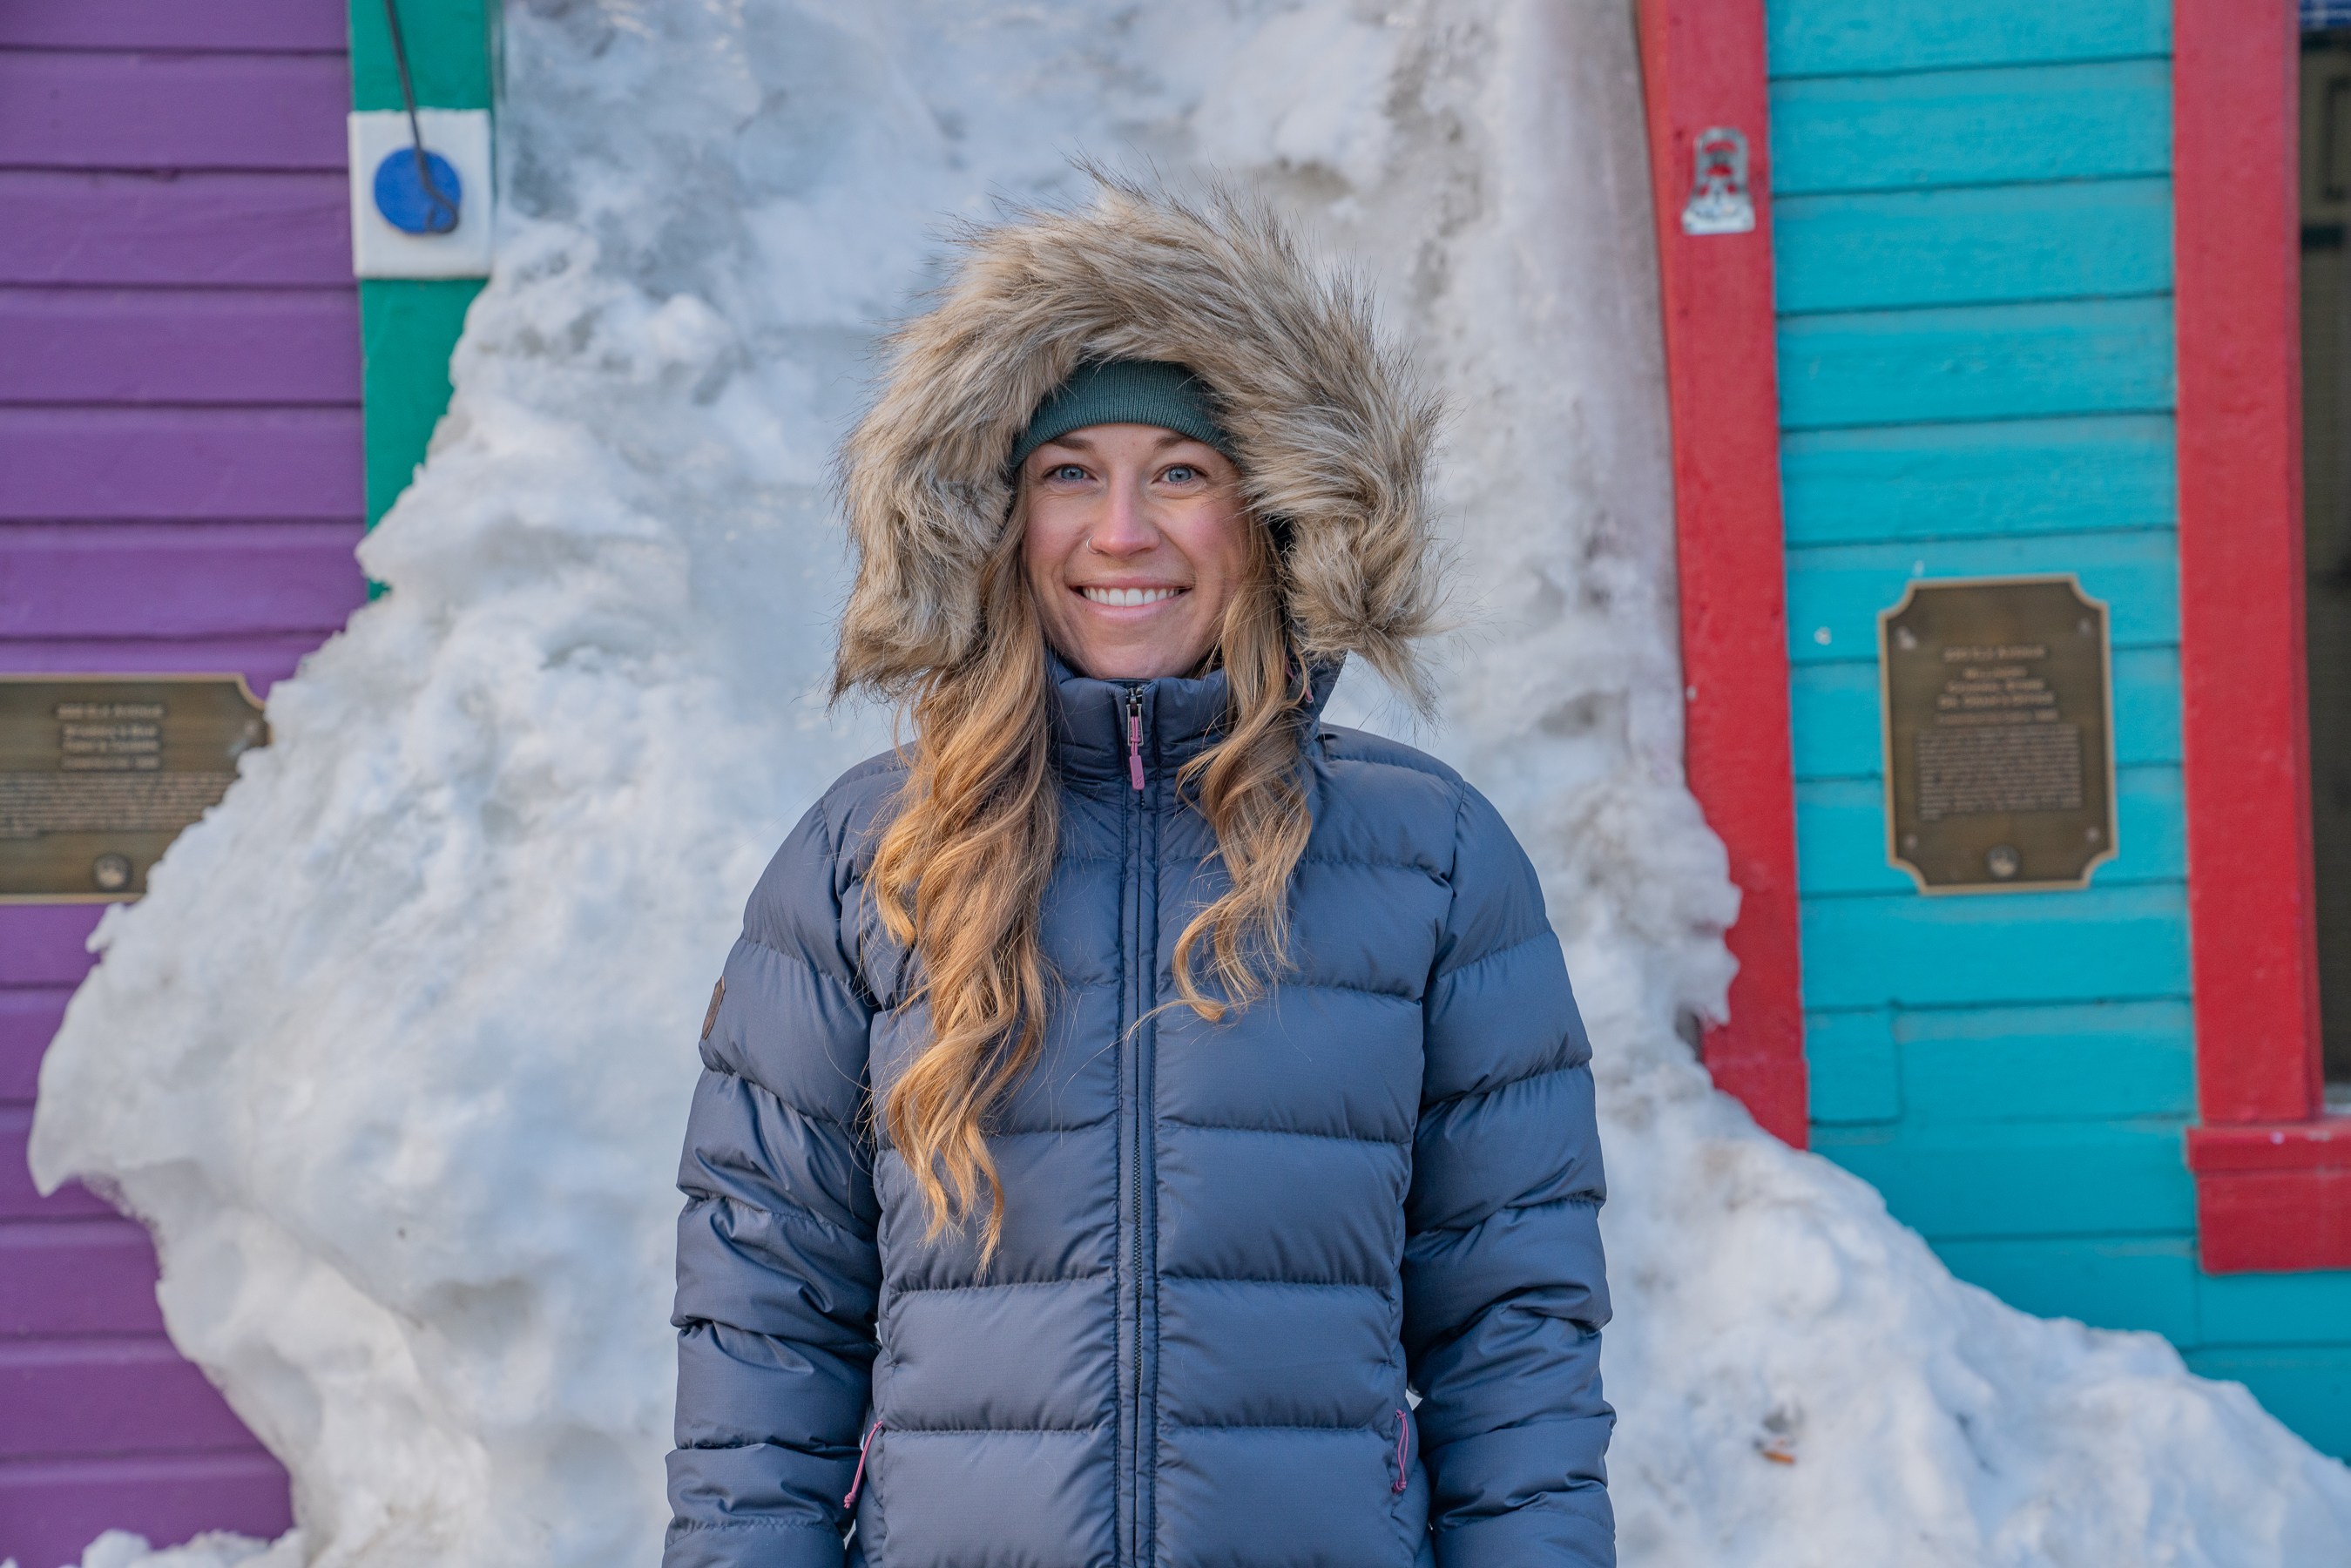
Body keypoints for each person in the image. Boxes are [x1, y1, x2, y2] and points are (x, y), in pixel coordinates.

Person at [664, 177, 1613, 1568]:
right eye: (1069, 475)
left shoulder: (1432, 859)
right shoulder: (867, 861)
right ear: (997, 518)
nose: (1121, 533)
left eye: (1180, 472)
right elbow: (763, 1316)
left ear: (1271, 513)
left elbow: (1516, 1324)